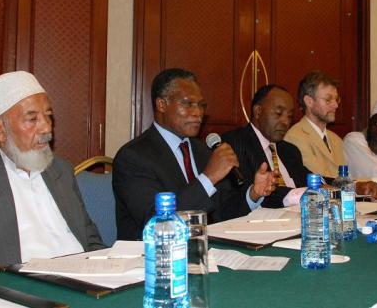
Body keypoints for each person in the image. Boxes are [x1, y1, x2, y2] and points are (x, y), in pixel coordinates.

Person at [0, 71, 104, 280]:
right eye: (32, 119)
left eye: (48, 116)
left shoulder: (61, 171)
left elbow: (91, 242)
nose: (46, 127)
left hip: (86, 286)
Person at [113, 68, 277, 240]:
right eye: (188, 104)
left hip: (209, 252)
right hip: (156, 258)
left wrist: (253, 194)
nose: (198, 112)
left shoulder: (203, 150)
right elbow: (157, 223)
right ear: (162, 104)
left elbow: (223, 212)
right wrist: (208, 178)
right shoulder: (133, 157)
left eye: (201, 105)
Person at [285, 71, 377, 199]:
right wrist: (357, 186)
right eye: (328, 100)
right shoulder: (295, 137)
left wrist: (362, 186)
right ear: (309, 101)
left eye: (336, 99)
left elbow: (344, 178)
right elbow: (318, 180)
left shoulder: (335, 139)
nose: (336, 105)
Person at [223, 85, 309, 208]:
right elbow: (247, 191)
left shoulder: (290, 150)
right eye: (279, 113)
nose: (285, 122)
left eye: (289, 116)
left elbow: (307, 177)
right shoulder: (235, 142)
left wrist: (335, 185)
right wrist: (298, 195)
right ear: (258, 111)